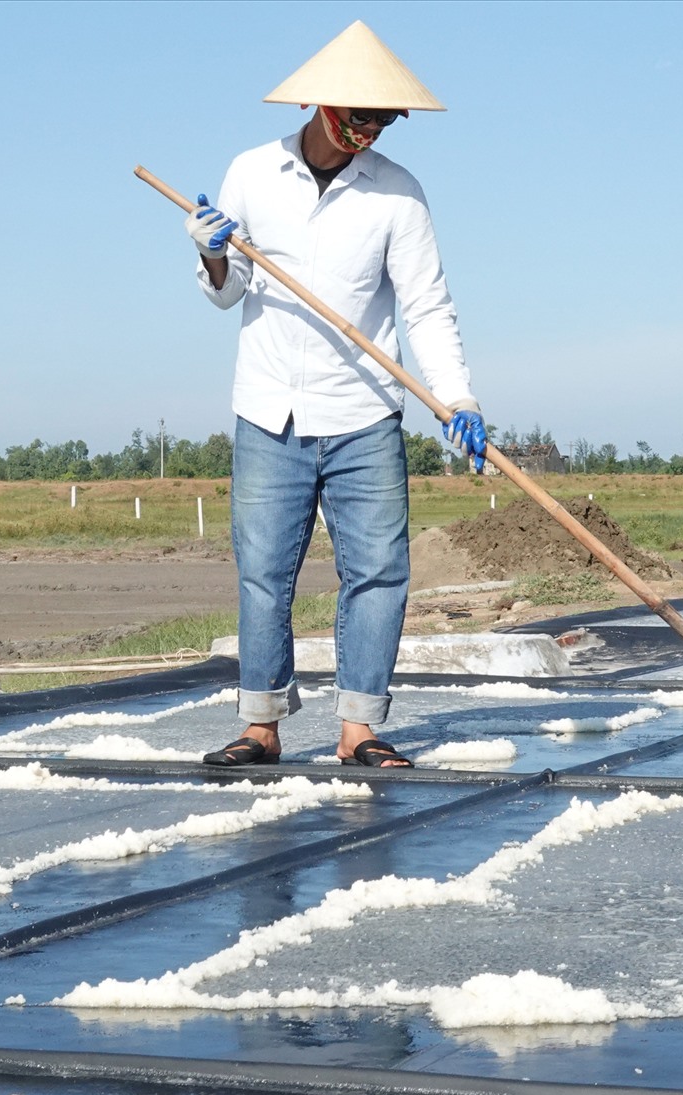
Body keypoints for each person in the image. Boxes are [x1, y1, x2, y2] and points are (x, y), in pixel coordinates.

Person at [184, 21, 486, 770]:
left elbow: (427, 307)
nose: (367, 133)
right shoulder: (251, 174)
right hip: (269, 408)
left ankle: (360, 729)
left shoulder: (399, 196)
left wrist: (458, 399)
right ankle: (260, 725)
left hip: (364, 412)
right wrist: (213, 255)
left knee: (379, 572)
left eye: (381, 122)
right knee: (264, 571)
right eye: (357, 118)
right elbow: (230, 294)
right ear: (319, 109)